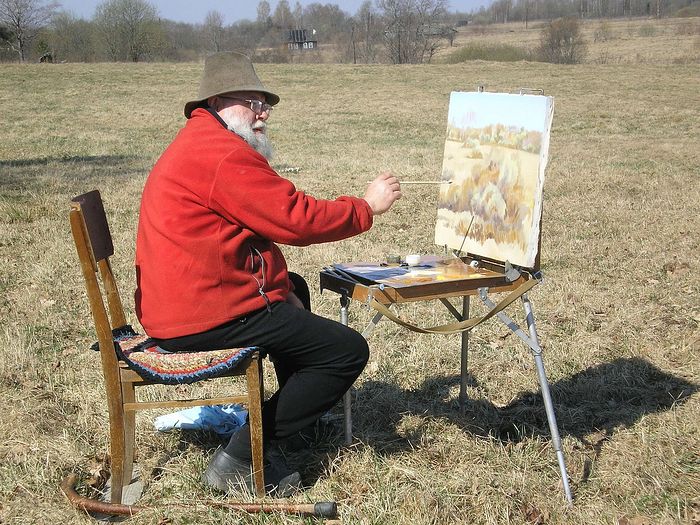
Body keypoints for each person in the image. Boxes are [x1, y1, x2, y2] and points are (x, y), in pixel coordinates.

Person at [134, 51, 401, 496]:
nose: (263, 112)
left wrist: (280, 290)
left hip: (186, 302)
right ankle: (242, 457)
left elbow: (254, 238)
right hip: (198, 315)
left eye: (265, 103)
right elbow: (294, 219)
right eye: (253, 101)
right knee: (346, 351)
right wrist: (366, 206)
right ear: (219, 101)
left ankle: (289, 422)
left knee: (292, 286)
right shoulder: (220, 155)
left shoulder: (205, 141)